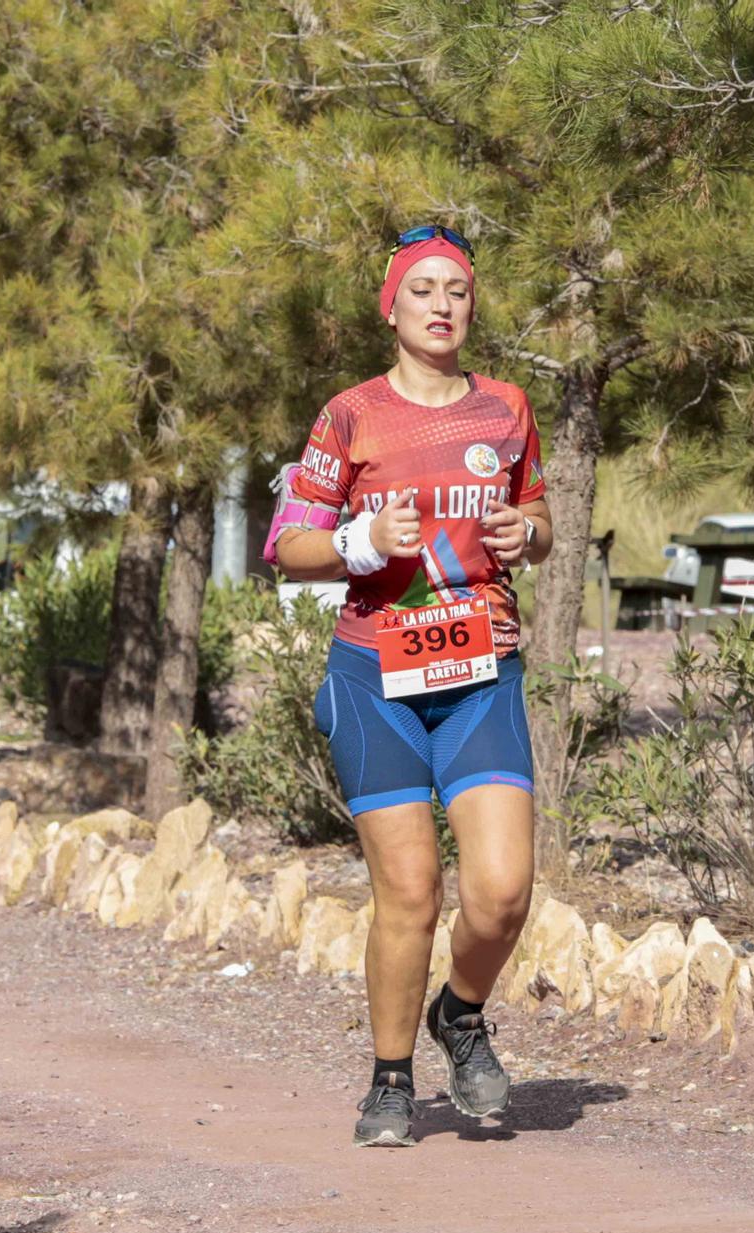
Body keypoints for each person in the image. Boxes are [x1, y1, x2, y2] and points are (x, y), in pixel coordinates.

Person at [267, 225, 552, 1147]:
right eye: (421, 289)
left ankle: (460, 1013)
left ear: (471, 306)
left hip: (479, 672)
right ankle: (390, 1082)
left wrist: (529, 535)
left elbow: (537, 509)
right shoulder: (350, 415)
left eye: (456, 291)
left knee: (502, 891)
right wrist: (359, 543)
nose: (441, 305)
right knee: (412, 890)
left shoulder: (506, 408)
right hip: (374, 677)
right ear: (390, 306)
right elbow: (288, 547)